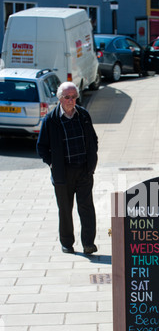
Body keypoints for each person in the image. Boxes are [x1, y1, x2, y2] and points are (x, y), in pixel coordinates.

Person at [36, 82, 98, 255]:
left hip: (84, 170)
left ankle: (88, 243)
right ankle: (67, 243)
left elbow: (93, 139)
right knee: (65, 208)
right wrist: (52, 164)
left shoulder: (83, 115)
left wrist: (91, 163)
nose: (71, 100)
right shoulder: (51, 120)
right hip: (63, 173)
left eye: (74, 97)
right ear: (60, 98)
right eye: (67, 97)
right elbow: (41, 147)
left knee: (86, 207)